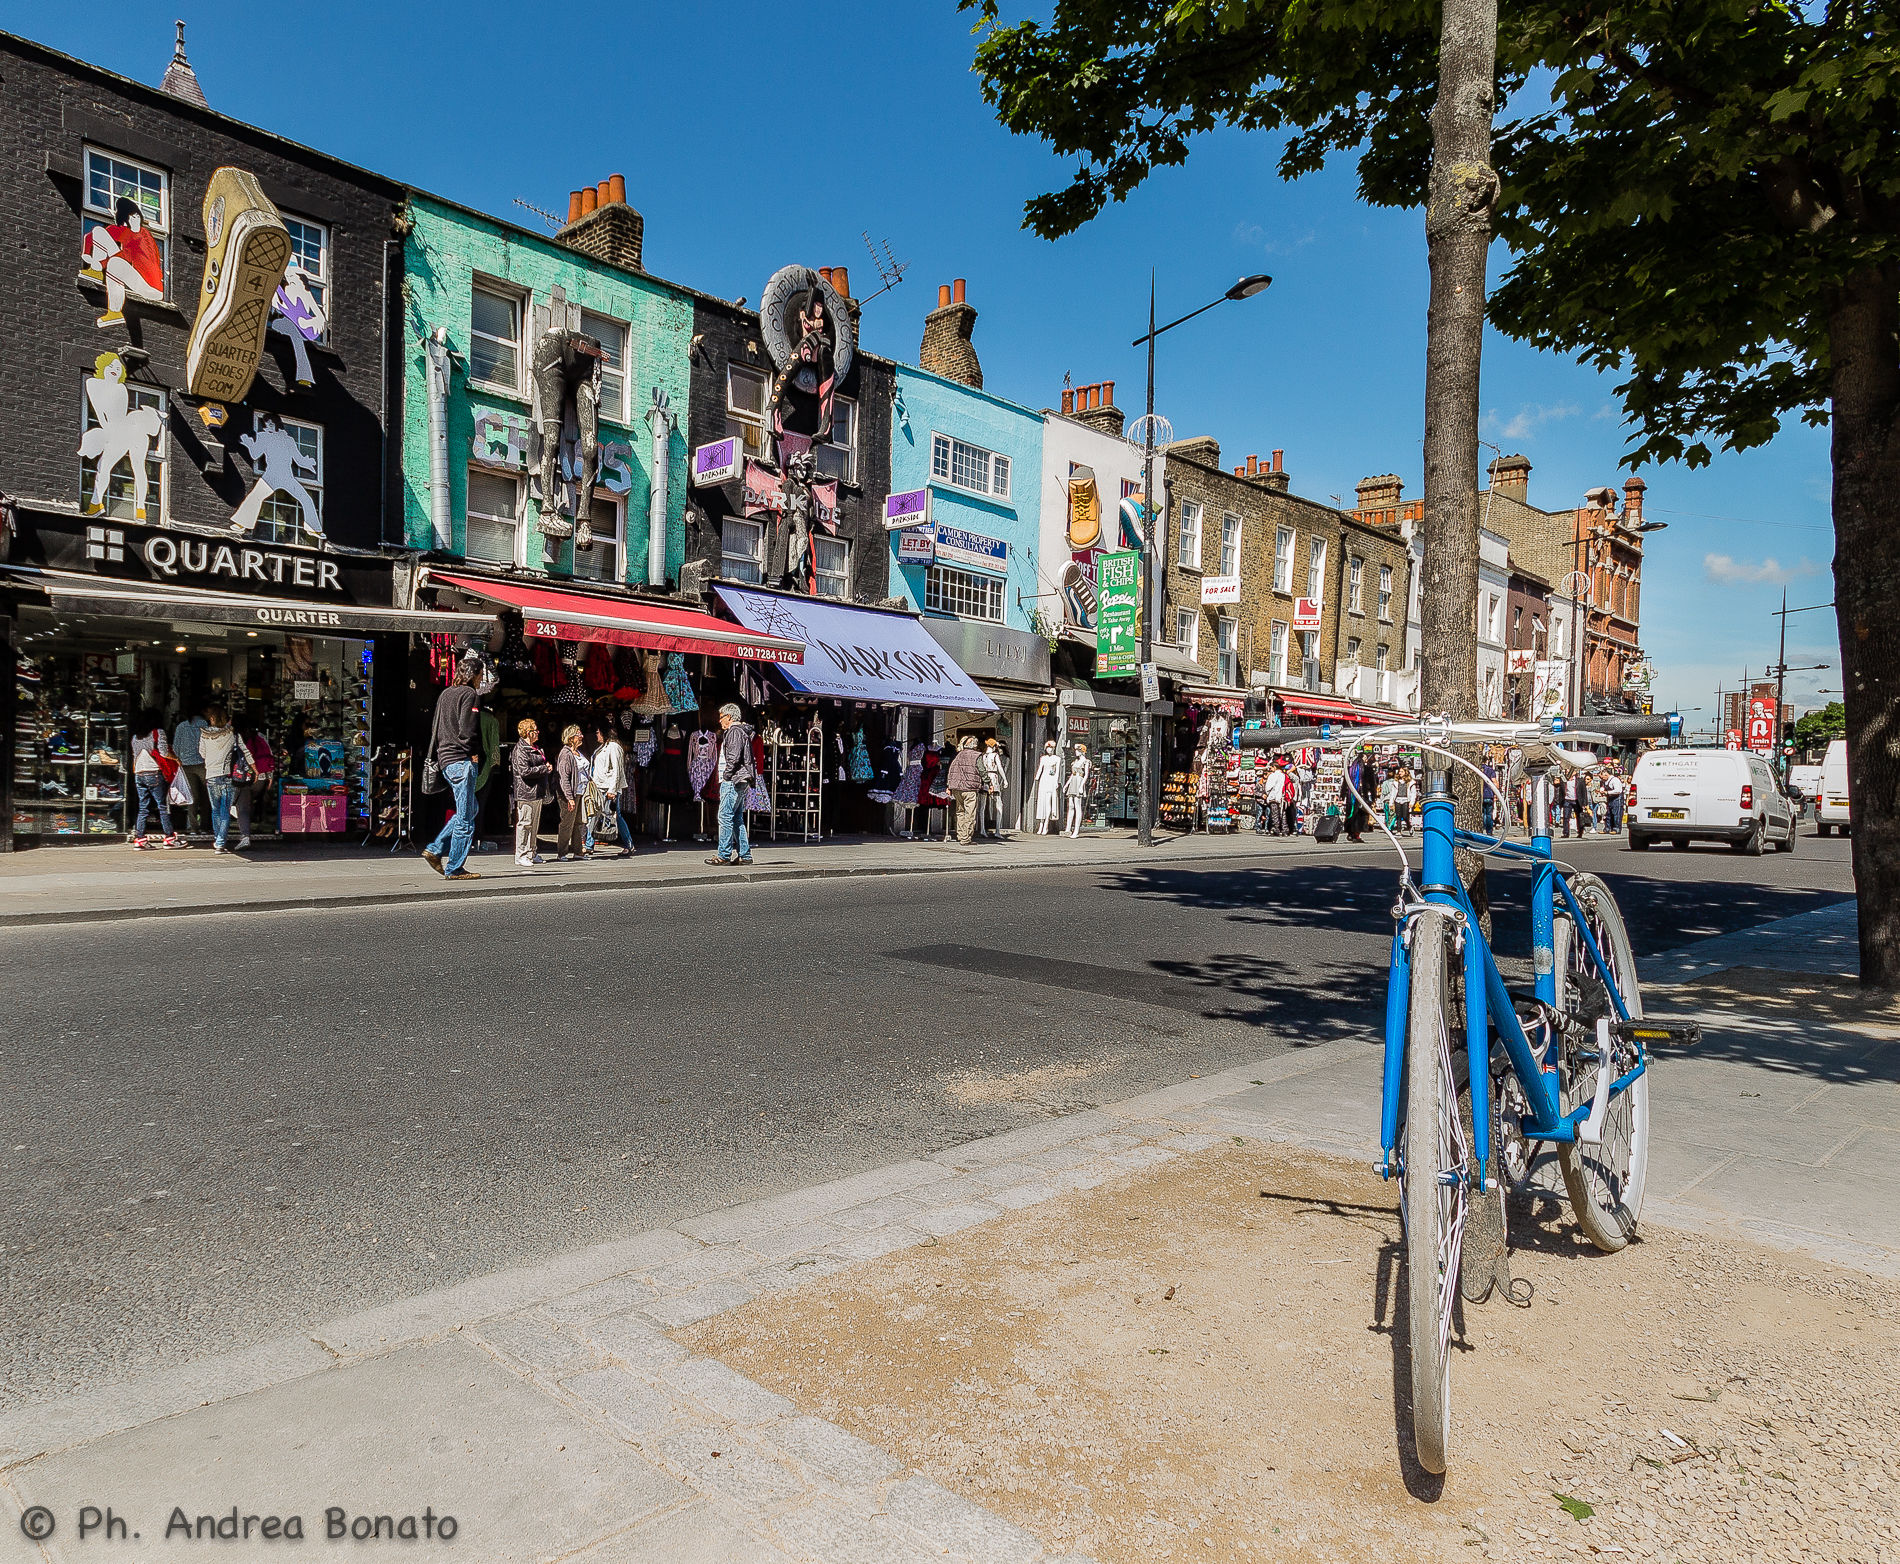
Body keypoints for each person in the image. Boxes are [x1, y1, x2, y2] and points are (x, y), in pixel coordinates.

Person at [421, 654, 485, 880]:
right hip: (462, 760)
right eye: (480, 675)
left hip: (446, 761)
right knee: (466, 820)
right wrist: (474, 754)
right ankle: (454, 868)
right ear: (475, 675)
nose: (480, 680)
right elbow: (469, 730)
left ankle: (436, 848)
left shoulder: (445, 694)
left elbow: (436, 729)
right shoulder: (470, 694)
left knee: (470, 809)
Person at [198, 706, 255, 854]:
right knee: (225, 810)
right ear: (226, 719)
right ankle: (220, 842)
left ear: (212, 719)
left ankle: (219, 839)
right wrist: (255, 769)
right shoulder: (232, 735)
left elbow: (202, 753)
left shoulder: (204, 735)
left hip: (211, 775)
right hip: (227, 776)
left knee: (215, 810)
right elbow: (246, 752)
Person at [708, 702, 757, 866]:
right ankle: (745, 855)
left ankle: (723, 854)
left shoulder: (734, 731)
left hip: (734, 779)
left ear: (729, 717)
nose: (720, 721)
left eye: (721, 717)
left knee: (724, 816)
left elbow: (734, 758)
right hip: (740, 779)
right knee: (736, 818)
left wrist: (727, 775)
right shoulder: (740, 731)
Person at [129, 710, 184, 849]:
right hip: (154, 772)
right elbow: (164, 752)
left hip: (139, 774)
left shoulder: (135, 737)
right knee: (162, 806)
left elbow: (135, 756)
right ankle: (170, 838)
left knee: (143, 807)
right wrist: (176, 758)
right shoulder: (157, 733)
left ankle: (140, 838)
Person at [511, 718, 552, 866]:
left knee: (534, 824)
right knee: (525, 823)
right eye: (535, 730)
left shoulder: (535, 748)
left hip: (537, 791)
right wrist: (544, 769)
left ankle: (531, 852)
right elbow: (524, 771)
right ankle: (521, 854)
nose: (538, 733)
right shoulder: (520, 749)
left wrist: (545, 766)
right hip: (526, 791)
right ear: (528, 732)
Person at [592, 721, 633, 859]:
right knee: (597, 815)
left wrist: (613, 790)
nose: (596, 735)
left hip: (608, 787)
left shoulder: (614, 747)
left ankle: (628, 843)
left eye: (598, 732)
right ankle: (589, 843)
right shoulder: (603, 747)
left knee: (615, 816)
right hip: (599, 786)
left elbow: (617, 770)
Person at [232, 722, 273, 849]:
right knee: (256, 801)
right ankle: (260, 824)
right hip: (260, 776)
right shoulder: (260, 736)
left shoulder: (232, 737)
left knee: (242, 807)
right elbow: (269, 754)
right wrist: (270, 776)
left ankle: (245, 836)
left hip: (241, 777)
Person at [171, 705, 209, 835]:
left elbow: (175, 748)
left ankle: (193, 828)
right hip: (203, 764)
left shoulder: (181, 726)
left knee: (192, 797)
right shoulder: (205, 725)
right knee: (206, 797)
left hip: (186, 765)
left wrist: (179, 760)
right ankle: (205, 826)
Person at [554, 724, 590, 861]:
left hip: (580, 792)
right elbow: (564, 777)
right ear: (570, 738)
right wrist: (569, 797)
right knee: (567, 823)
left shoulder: (578, 752)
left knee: (578, 822)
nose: (581, 736)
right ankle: (562, 852)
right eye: (578, 734)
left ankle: (578, 851)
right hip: (569, 795)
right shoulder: (566, 754)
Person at [946, 735, 983, 845]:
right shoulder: (977, 756)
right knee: (970, 813)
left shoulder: (958, 755)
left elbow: (952, 770)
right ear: (975, 745)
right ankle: (966, 838)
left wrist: (949, 786)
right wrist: (988, 783)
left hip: (957, 788)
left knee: (960, 812)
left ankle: (961, 835)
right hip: (970, 788)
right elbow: (982, 770)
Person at [980, 738, 1009, 839]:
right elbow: (1000, 767)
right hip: (993, 778)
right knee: (999, 804)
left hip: (984, 779)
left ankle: (982, 829)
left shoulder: (983, 756)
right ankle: (997, 830)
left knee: (982, 805)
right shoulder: (995, 755)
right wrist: (1005, 779)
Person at [1063, 741, 1092, 838]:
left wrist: (1081, 786)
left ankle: (1076, 830)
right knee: (1070, 805)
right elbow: (1072, 774)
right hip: (1073, 782)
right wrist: (1066, 785)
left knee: (1077, 806)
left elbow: (1086, 775)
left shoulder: (1085, 762)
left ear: (1082, 751)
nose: (1076, 752)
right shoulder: (1075, 762)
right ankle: (1068, 828)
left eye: (1078, 750)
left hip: (1079, 781)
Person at [1032, 740, 1061, 834]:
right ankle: (1041, 824)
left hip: (1051, 781)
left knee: (1048, 802)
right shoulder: (1043, 758)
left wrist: (1056, 782)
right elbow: (1040, 768)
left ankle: (1046, 825)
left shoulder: (1057, 759)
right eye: (1048, 748)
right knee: (1041, 802)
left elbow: (1057, 772)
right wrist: (1037, 777)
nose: (1050, 750)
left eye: (1051, 748)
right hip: (1043, 780)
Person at [1601, 766, 1625, 834]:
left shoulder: (1615, 780)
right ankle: (1607, 828)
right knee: (1608, 814)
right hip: (1610, 799)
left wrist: (1607, 792)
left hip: (1617, 799)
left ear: (1606, 774)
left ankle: (1616, 829)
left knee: (1616, 814)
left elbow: (1618, 791)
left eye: (1603, 777)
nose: (1602, 778)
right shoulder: (1606, 781)